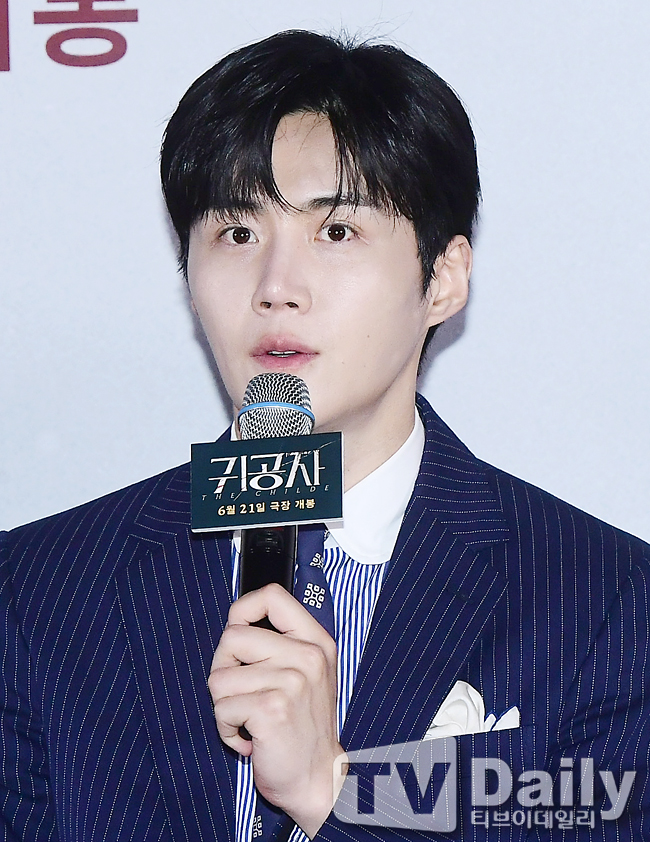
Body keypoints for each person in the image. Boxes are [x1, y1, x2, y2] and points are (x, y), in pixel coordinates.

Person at [1, 29, 649, 842]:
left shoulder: (605, 599)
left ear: (443, 278)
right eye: (238, 234)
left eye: (336, 232)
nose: (277, 288)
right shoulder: (38, 592)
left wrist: (332, 792)